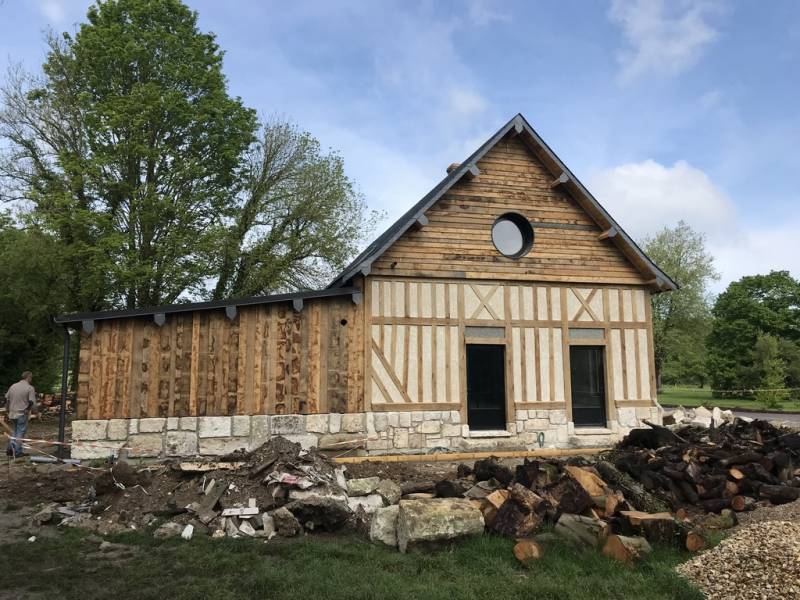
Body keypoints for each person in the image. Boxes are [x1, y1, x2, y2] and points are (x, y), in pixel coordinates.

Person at [4, 371, 36, 458]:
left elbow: (7, 399)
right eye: (31, 377)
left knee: (15, 431)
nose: (31, 379)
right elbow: (31, 402)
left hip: (12, 413)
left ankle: (10, 449)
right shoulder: (30, 388)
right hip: (22, 413)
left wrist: (7, 409)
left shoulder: (13, 386)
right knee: (20, 433)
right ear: (28, 377)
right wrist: (31, 410)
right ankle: (18, 452)